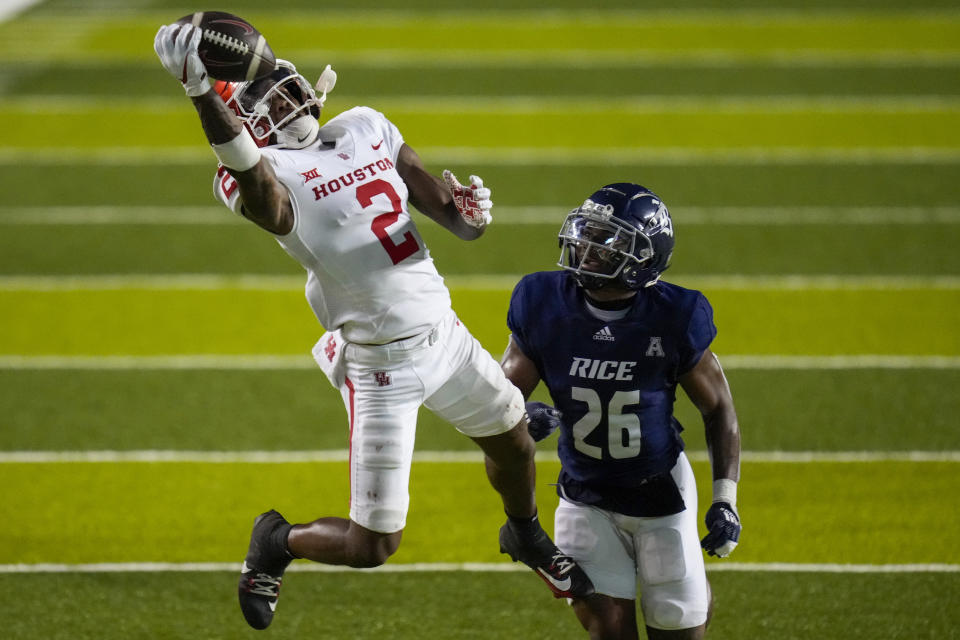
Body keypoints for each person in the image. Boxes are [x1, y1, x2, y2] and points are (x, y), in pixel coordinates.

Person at [152, 23, 593, 630]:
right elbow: (265, 198)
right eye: (267, 105)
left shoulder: (365, 125)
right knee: (372, 545)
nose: (284, 102)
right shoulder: (263, 172)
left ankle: (525, 536)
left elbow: (447, 213)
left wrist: (467, 213)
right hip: (381, 363)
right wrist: (201, 93)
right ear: (247, 130)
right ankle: (277, 541)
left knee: (515, 440)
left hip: (444, 331)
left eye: (286, 90)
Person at [499, 183, 742, 639]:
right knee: (610, 633)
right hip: (583, 495)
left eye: (609, 240)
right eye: (588, 231)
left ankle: (694, 591)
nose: (587, 246)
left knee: (676, 628)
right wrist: (517, 417)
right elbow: (499, 396)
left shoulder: (674, 314)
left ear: (644, 258)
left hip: (660, 495)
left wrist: (725, 498)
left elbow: (719, 408)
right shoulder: (542, 301)